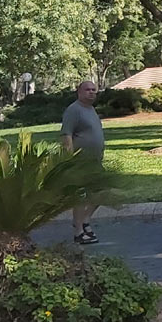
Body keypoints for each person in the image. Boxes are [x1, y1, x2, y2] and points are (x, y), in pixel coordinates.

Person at [61, 79, 105, 244]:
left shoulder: (91, 109)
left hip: (95, 162)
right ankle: (79, 231)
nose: (91, 92)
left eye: (94, 90)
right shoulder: (74, 110)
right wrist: (70, 160)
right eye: (88, 90)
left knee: (102, 192)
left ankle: (85, 220)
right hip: (80, 162)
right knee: (81, 197)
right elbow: (66, 135)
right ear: (79, 92)